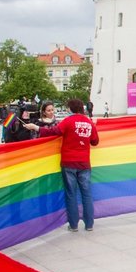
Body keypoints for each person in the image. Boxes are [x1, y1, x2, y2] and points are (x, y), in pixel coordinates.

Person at [29, 98, 100, 232]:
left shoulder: (68, 121)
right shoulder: (89, 123)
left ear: (71, 109)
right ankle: (89, 224)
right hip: (84, 163)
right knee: (86, 193)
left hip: (69, 163)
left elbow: (54, 132)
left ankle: (73, 225)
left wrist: (36, 128)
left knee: (71, 194)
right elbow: (95, 142)